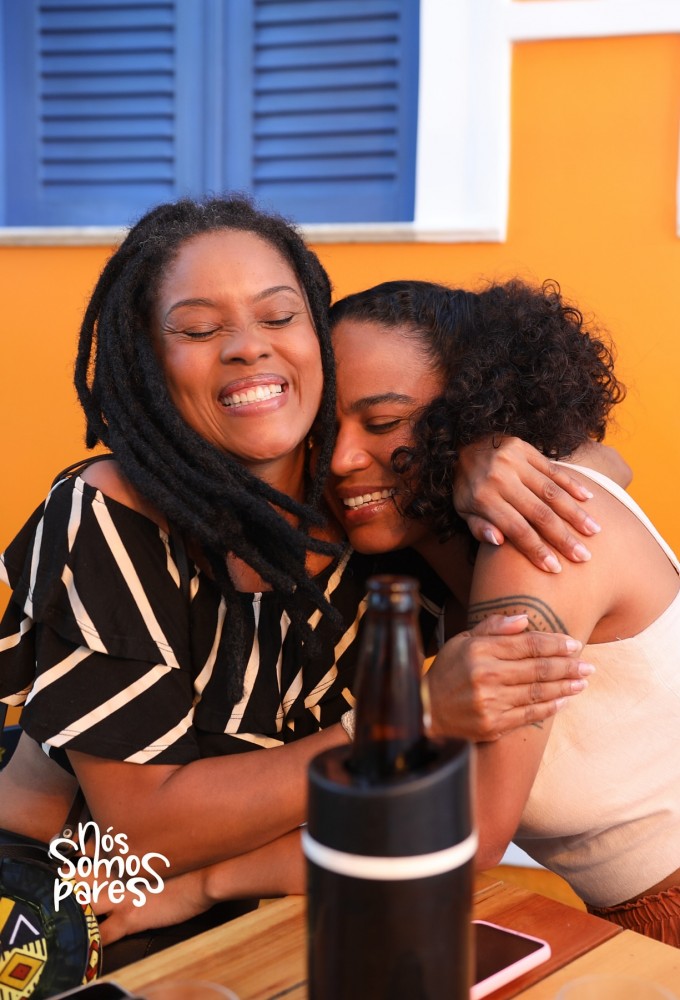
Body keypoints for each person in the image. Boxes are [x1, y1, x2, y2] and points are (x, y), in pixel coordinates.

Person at [0, 197, 588, 967]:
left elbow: (598, 482)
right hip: (67, 890)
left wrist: (492, 453)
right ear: (148, 362)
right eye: (198, 329)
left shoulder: (373, 506)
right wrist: (406, 716)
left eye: (279, 316)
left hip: (257, 890)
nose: (248, 346)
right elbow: (138, 834)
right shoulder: (112, 510)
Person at [326, 278, 680, 945]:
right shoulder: (451, 570)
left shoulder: (532, 538)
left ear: (469, 412)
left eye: (383, 424)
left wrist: (202, 882)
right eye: (325, 428)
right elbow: (610, 463)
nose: (340, 459)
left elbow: (472, 835)